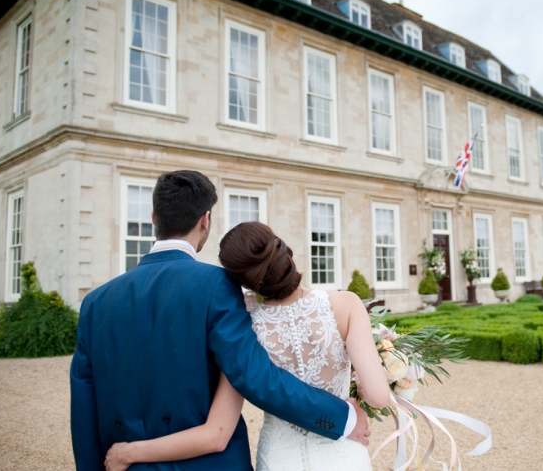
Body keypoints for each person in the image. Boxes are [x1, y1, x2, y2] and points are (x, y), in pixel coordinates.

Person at [70, 170, 370, 471]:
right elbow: (257, 377)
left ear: (153, 218)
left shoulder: (95, 303)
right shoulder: (215, 285)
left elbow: (83, 412)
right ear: (205, 220)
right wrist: (341, 417)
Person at [104, 221, 390, 471]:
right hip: (342, 455)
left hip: (280, 460)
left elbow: (217, 432)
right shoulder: (346, 304)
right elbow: (378, 397)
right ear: (283, 251)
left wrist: (131, 451)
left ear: (242, 281)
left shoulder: (244, 331)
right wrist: (360, 384)